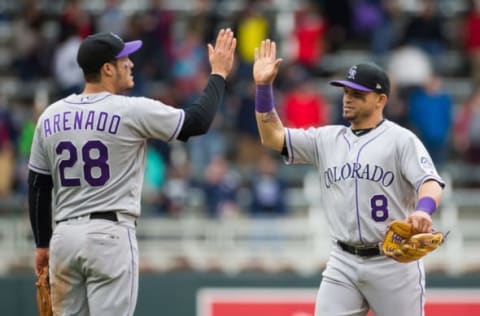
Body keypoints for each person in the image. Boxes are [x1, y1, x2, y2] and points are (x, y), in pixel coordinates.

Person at [28, 29, 236, 315]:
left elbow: (38, 184)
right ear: (108, 68)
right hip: (109, 236)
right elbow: (197, 122)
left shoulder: (50, 116)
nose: (132, 63)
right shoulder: (130, 110)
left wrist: (42, 243)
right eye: (125, 57)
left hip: (63, 237)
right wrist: (219, 75)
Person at [252, 39, 444, 316]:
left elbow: (430, 181)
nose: (347, 98)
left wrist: (423, 211)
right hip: (343, 260)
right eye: (346, 92)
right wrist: (263, 87)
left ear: (381, 100)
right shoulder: (326, 138)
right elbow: (272, 137)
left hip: (393, 261)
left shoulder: (401, 140)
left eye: (357, 94)